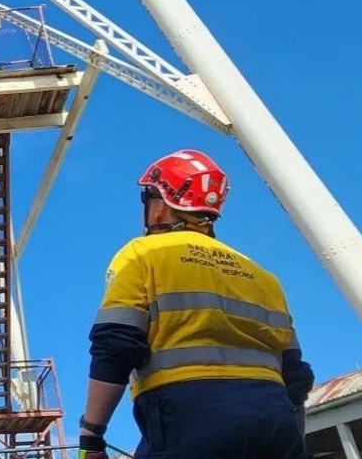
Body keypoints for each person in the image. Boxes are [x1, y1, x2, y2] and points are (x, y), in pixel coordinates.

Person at [77, 149, 315, 459]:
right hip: (274, 416)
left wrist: (91, 435)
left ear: (161, 204)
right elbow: (295, 375)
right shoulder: (263, 276)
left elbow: (116, 345)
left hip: (188, 412)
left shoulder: (143, 254)